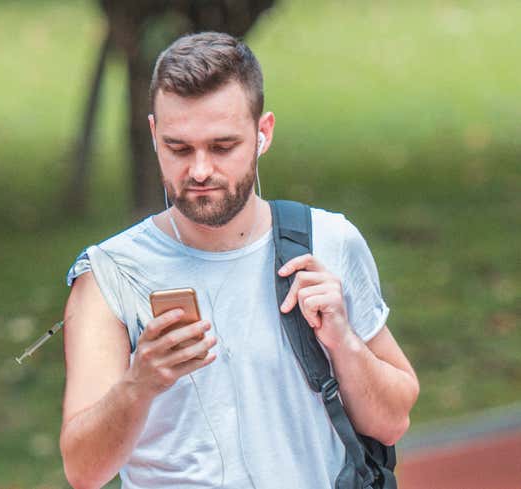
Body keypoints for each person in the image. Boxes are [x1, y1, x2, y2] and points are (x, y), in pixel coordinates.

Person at [59, 32, 419, 489]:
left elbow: (393, 422)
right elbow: (83, 471)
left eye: (222, 146)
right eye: (179, 148)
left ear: (262, 133)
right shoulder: (109, 275)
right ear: (154, 135)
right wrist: (140, 382)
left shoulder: (327, 242)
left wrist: (343, 341)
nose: (200, 170)